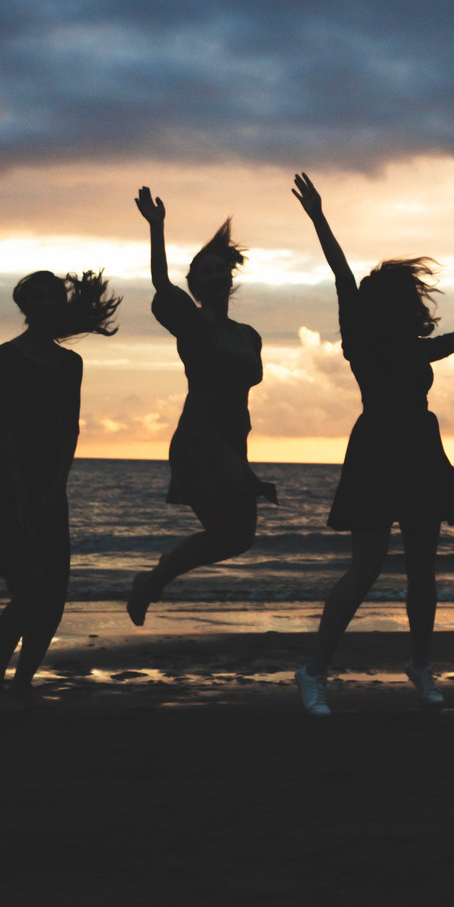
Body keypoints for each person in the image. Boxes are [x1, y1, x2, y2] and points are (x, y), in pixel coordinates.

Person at [291, 173, 454, 715]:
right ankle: (313, 671)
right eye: (407, 296)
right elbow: (339, 273)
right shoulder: (360, 336)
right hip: (378, 450)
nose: (416, 303)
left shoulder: (412, 346)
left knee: (423, 571)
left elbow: (443, 345)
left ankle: (421, 667)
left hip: (422, 451)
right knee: (367, 565)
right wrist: (318, 217)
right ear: (385, 302)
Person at [125, 188, 276, 623]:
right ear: (193, 284)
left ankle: (152, 581)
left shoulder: (250, 335)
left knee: (240, 538)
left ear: (231, 278)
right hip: (201, 437)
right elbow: (160, 284)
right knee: (223, 532)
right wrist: (157, 228)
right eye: (203, 273)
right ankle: (152, 583)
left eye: (219, 270)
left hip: (234, 439)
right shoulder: (192, 324)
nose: (213, 277)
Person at [0, 270, 117, 710]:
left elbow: (69, 428)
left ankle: (23, 682)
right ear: (23, 304)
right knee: (31, 584)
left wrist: (57, 486)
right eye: (35, 296)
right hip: (4, 480)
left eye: (53, 295)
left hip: (48, 484)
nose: (45, 302)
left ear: (61, 303)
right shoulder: (7, 355)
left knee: (54, 591)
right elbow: (4, 428)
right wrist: (20, 491)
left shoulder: (70, 363)